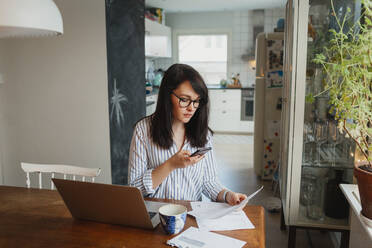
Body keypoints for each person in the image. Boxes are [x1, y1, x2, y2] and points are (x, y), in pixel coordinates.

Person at [128, 64, 247, 206]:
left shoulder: (203, 133)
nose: (191, 108)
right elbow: (134, 189)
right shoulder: (143, 130)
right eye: (184, 99)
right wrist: (170, 165)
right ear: (167, 95)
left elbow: (209, 182)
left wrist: (228, 195)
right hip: (155, 215)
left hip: (191, 215)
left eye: (196, 101)